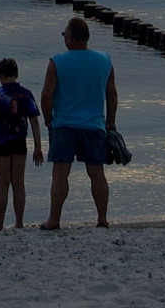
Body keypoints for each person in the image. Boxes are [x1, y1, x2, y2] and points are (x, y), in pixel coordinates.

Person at [40, 17, 117, 229]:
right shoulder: (104, 60)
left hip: (64, 124)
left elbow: (46, 95)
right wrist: (111, 120)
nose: (64, 37)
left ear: (71, 37)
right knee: (96, 173)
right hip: (94, 125)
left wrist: (48, 120)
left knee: (60, 173)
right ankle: (102, 218)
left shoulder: (57, 62)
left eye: (65, 34)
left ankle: (54, 220)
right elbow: (111, 93)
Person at [0, 57, 45, 229]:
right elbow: (34, 121)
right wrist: (38, 147)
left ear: (0, 75)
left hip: (0, 143)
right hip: (19, 142)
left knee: (2, 183)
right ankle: (19, 222)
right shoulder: (26, 94)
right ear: (17, 74)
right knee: (19, 182)